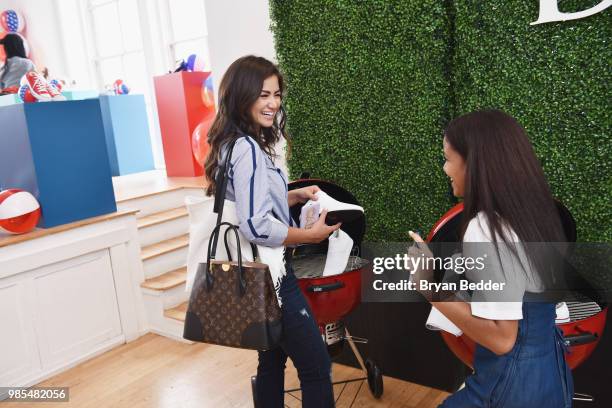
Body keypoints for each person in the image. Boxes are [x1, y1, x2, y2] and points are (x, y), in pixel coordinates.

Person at [409, 110, 573, 407]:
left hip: (511, 387)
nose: (445, 169)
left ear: (474, 163)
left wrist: (429, 287)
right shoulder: (536, 211)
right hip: (551, 377)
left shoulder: (485, 228)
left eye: (447, 158)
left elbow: (502, 338)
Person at [203, 55, 339, 407]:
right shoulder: (246, 147)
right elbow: (255, 224)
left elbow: (248, 201)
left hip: (254, 273)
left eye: (277, 95)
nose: (273, 103)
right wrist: (310, 237)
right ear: (241, 95)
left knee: (272, 360)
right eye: (263, 94)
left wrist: (291, 194)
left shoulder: (230, 142)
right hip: (273, 276)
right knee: (316, 366)